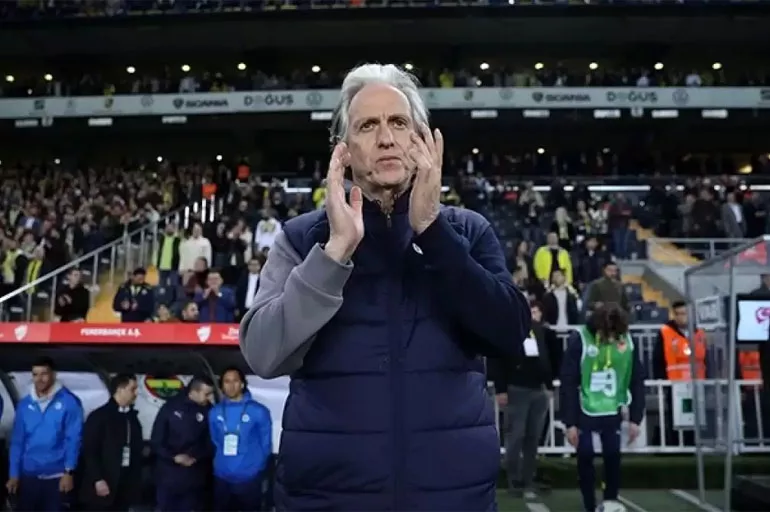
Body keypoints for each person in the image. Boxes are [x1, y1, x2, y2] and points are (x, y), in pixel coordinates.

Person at [239, 63, 530, 511]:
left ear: (421, 140)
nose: (386, 138)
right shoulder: (302, 238)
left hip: (451, 498)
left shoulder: (468, 231)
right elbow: (262, 354)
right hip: (328, 499)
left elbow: (509, 333)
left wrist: (433, 232)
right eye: (367, 126)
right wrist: (334, 254)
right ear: (343, 151)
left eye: (398, 122)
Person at [560, 304, 645, 512]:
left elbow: (636, 379)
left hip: (612, 408)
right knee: (585, 455)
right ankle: (589, 504)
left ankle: (610, 501)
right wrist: (570, 423)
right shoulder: (580, 339)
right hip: (584, 408)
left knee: (613, 456)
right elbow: (568, 382)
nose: (612, 338)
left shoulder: (627, 341)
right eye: (608, 334)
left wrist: (635, 418)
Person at [488, 301, 558, 499]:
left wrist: (549, 384)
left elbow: (546, 357)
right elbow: (497, 360)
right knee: (516, 435)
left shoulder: (540, 330)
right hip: (516, 388)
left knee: (533, 437)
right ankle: (514, 479)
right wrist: (501, 389)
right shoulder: (507, 331)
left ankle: (528, 478)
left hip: (538, 388)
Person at [6, 357, 83, 511]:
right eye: (35, 374)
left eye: (44, 374)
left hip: (56, 478)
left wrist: (68, 472)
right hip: (28, 478)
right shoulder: (24, 405)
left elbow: (73, 439)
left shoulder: (70, 402)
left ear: (53, 374)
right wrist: (14, 474)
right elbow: (17, 441)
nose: (39, 379)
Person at [209, 367, 272, 511]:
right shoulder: (215, 412)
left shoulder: (258, 411)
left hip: (249, 478)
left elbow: (266, 443)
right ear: (222, 385)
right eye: (227, 381)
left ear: (242, 384)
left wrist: (255, 468)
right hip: (222, 476)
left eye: (235, 381)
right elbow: (215, 439)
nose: (231, 385)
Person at [78, 373, 144, 511]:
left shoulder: (132, 418)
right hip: (103, 483)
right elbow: (89, 451)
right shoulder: (99, 416)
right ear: (120, 389)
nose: (136, 393)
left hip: (125, 485)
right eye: (132, 389)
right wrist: (97, 479)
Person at [151, 375, 215, 511]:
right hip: (168, 477)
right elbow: (156, 441)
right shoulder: (170, 407)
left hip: (194, 479)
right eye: (207, 394)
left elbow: (211, 443)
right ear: (194, 391)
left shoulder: (210, 411)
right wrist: (173, 457)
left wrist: (196, 457)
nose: (209, 398)